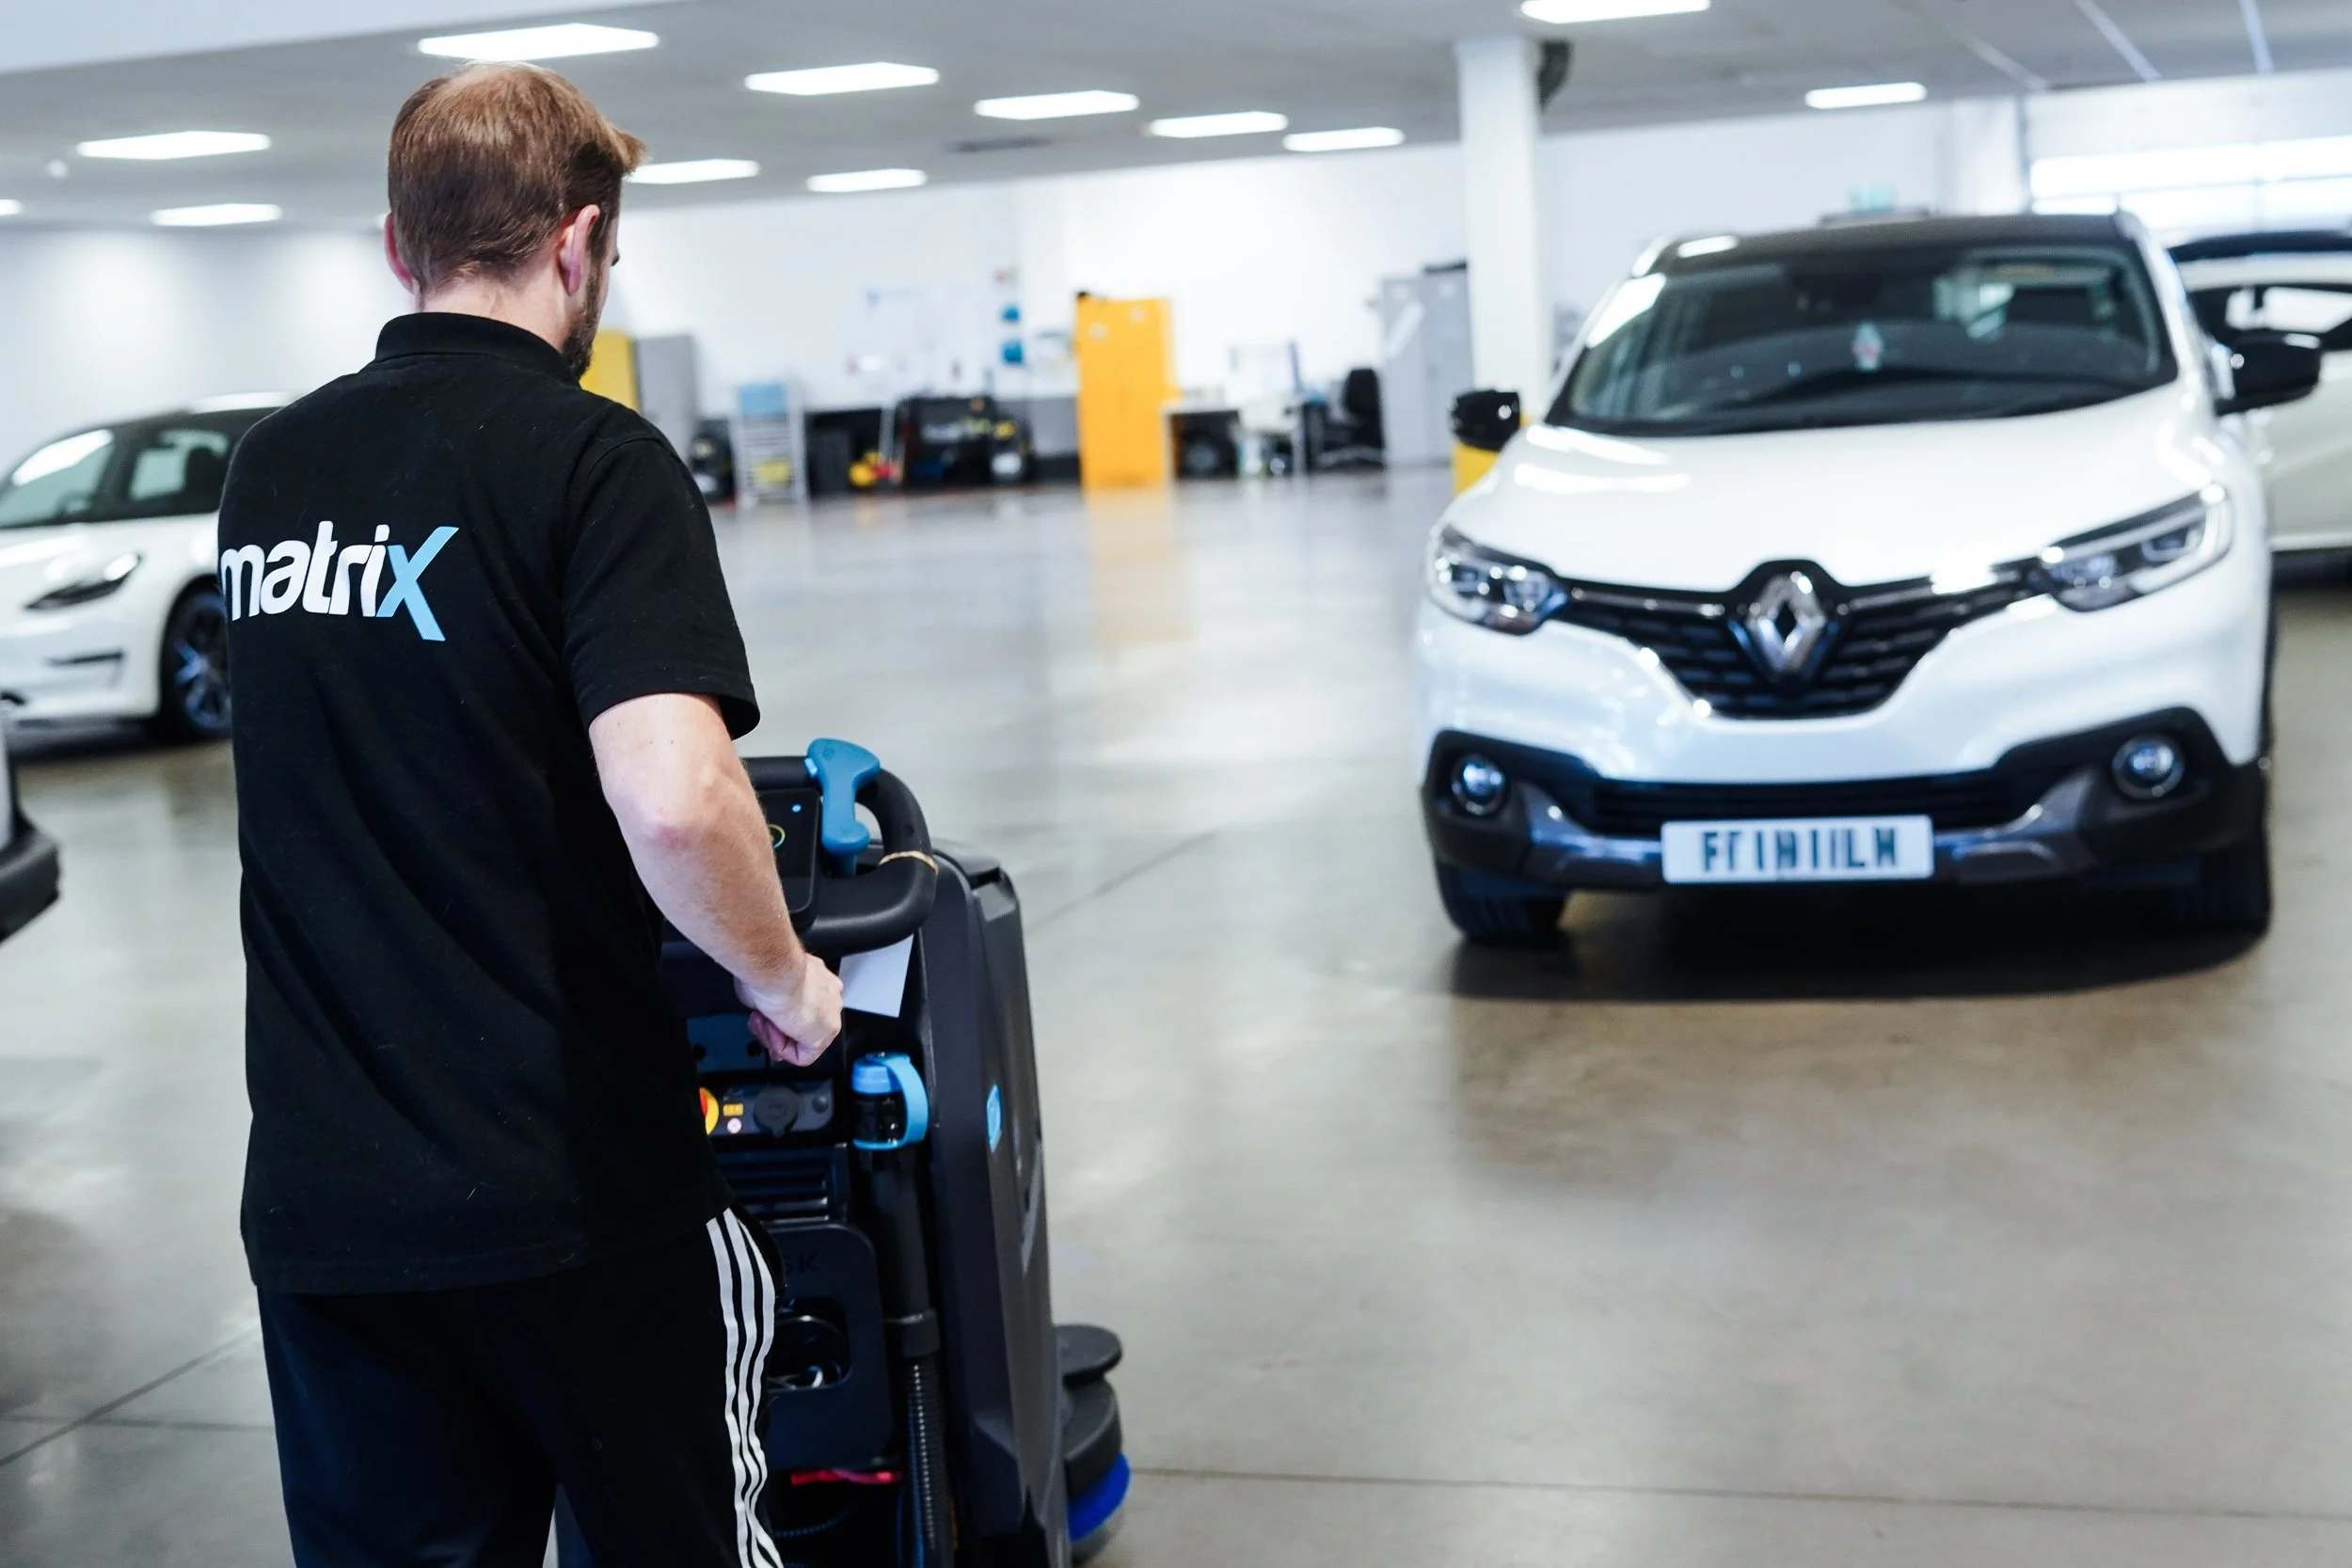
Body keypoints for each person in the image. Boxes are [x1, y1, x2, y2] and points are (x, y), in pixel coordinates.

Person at [216, 62, 841, 1567]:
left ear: (396, 246)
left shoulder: (269, 472)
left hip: (328, 1202)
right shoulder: (595, 462)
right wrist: (782, 977)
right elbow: (678, 796)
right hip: (570, 1199)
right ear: (578, 246)